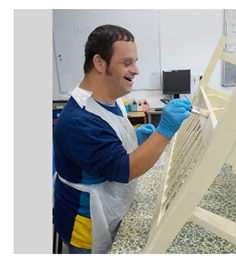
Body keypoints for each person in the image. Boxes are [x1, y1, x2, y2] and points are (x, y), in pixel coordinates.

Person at [53, 24, 191, 254]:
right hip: (87, 223)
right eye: (127, 63)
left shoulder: (111, 99)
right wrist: (164, 130)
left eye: (135, 61)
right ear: (99, 63)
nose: (136, 70)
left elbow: (104, 145)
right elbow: (122, 169)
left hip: (111, 204)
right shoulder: (79, 120)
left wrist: (131, 139)